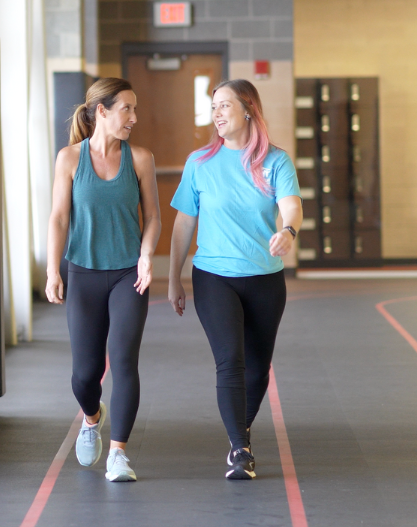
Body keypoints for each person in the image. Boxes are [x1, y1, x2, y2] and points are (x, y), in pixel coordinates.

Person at [167, 79, 303, 480]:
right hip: (214, 277)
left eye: (224, 105)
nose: (217, 113)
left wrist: (288, 231)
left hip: (265, 279)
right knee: (231, 361)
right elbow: (182, 224)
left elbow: (291, 205)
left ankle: (239, 431)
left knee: (258, 368)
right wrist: (173, 278)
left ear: (248, 109)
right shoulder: (199, 163)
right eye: (214, 107)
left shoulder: (276, 161)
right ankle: (240, 450)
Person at [46, 77, 161, 482]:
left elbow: (153, 218)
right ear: (102, 112)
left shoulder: (141, 158)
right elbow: (59, 218)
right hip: (83, 273)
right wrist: (51, 270)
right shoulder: (69, 159)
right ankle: (92, 418)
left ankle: (118, 454)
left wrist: (147, 256)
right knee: (84, 374)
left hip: (129, 275)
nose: (134, 117)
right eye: (126, 109)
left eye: (134, 108)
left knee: (125, 361)